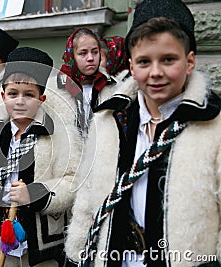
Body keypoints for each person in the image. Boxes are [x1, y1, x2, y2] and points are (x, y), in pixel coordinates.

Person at [65, 0, 221, 266]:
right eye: (145, 62)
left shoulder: (213, 125)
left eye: (168, 59)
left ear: (189, 61)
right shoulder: (109, 119)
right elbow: (88, 200)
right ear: (131, 66)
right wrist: (77, 254)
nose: (156, 72)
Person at [0, 47, 83, 266]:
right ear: (3, 96)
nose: (20, 101)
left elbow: (72, 180)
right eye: (13, 94)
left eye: (29, 95)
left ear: (42, 98)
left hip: (38, 246)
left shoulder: (61, 135)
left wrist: (34, 194)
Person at [57, 28, 117, 136]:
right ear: (72, 56)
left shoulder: (112, 87)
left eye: (95, 52)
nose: (90, 58)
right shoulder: (56, 88)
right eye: (83, 53)